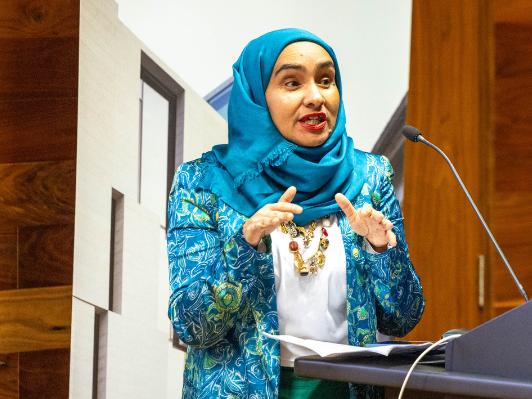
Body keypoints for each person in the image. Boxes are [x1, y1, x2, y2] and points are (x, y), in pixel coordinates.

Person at [167, 29, 425, 399]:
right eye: (292, 83)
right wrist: (245, 246)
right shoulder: (203, 183)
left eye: (326, 80)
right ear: (256, 96)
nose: (316, 98)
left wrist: (381, 249)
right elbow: (192, 327)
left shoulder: (370, 177)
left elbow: (403, 318)